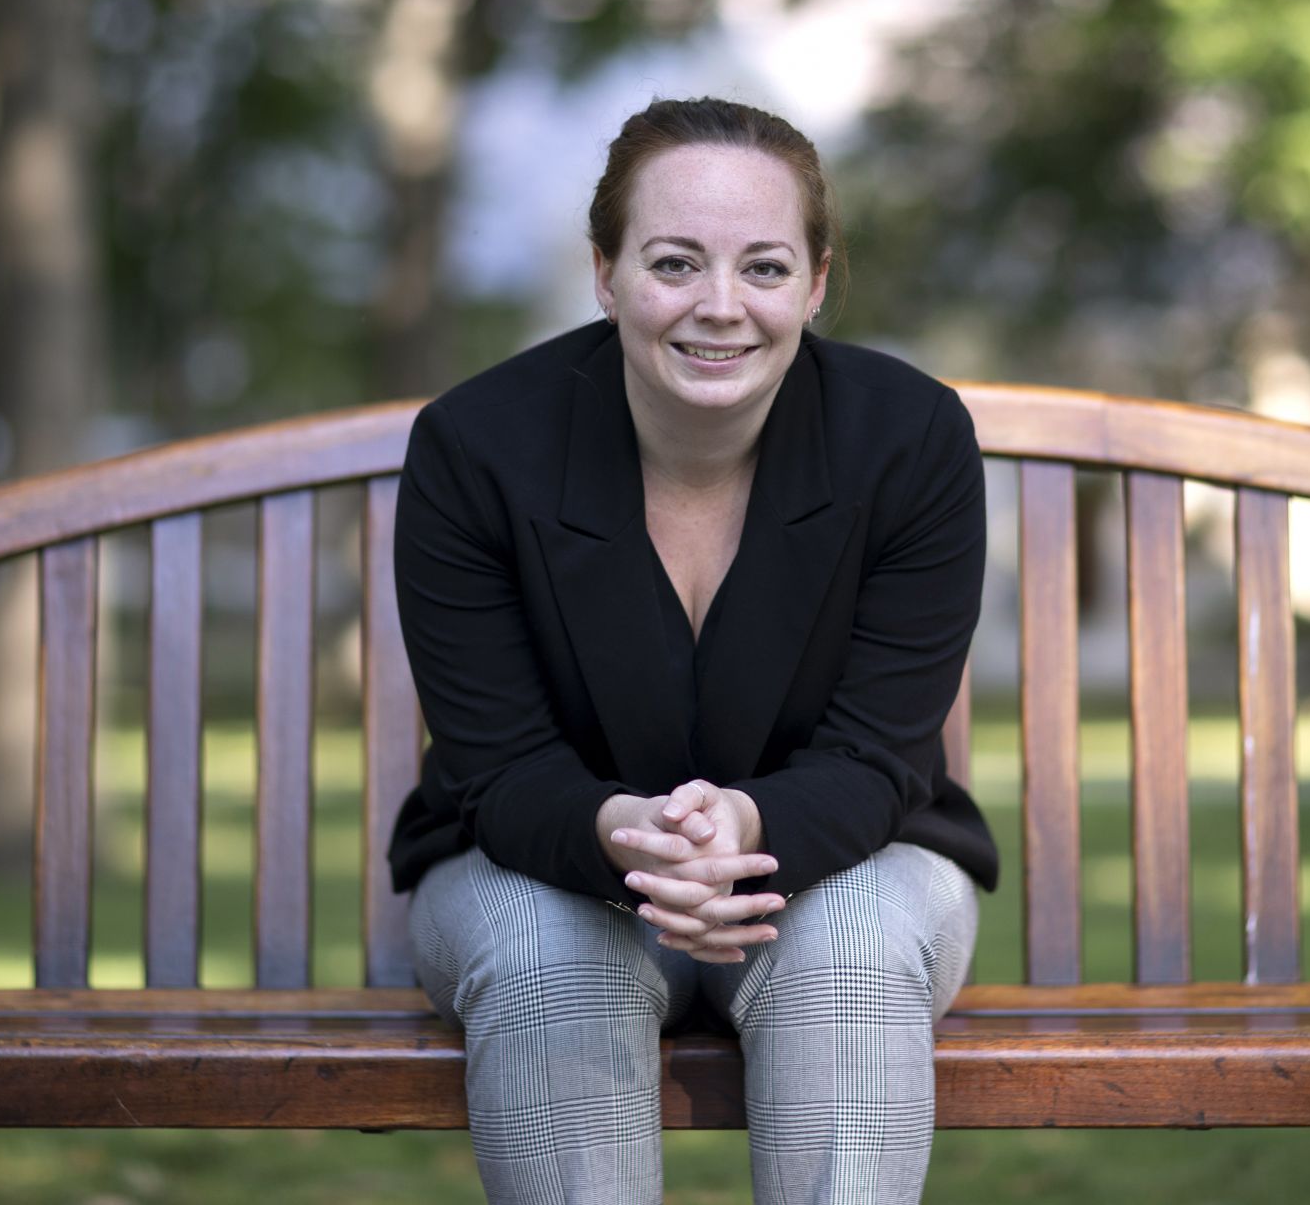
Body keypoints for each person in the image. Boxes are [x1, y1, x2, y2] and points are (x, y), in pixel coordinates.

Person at [388, 96, 998, 1205]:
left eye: (763, 268)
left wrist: (746, 827)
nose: (720, 309)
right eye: (674, 262)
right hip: (546, 856)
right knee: (546, 960)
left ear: (815, 283)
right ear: (604, 272)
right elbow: (499, 766)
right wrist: (626, 832)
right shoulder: (477, 449)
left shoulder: (908, 442)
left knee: (847, 956)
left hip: (844, 852)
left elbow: (877, 755)